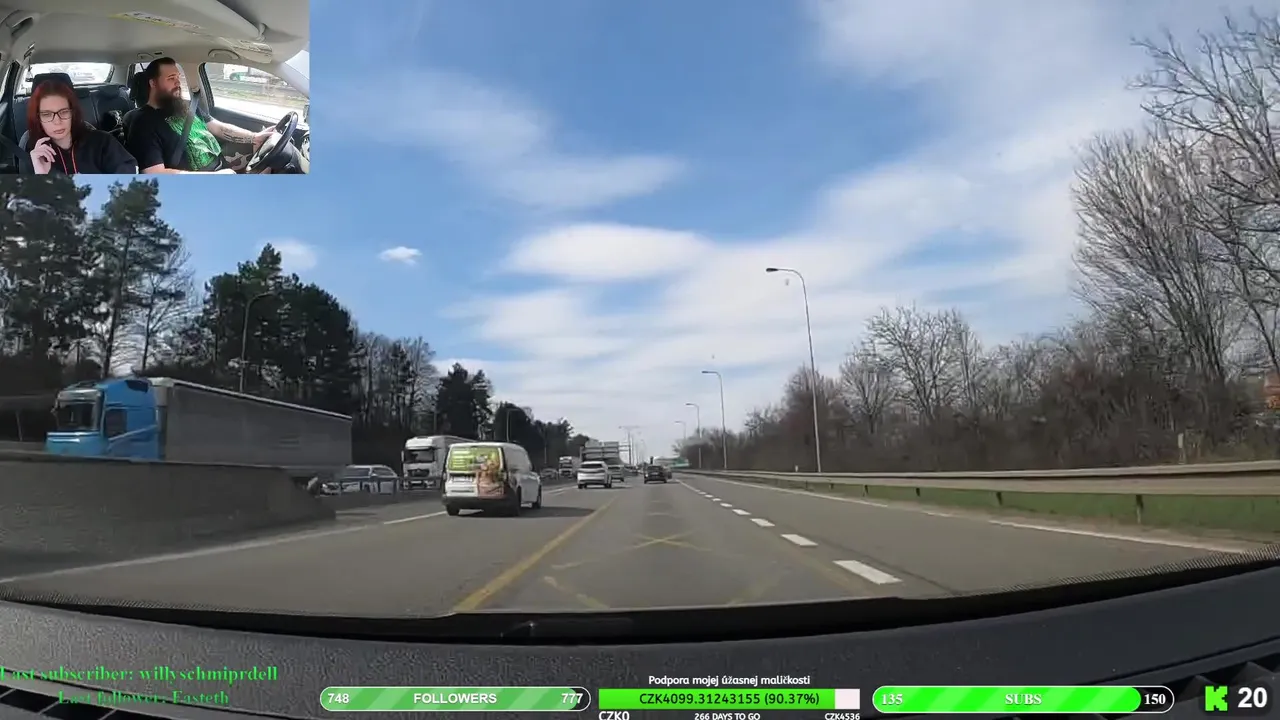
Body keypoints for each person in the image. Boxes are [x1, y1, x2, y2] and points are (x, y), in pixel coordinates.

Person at [125, 57, 272, 174]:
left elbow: (218, 128)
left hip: (222, 167)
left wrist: (254, 137)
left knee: (271, 161)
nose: (178, 82)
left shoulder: (186, 106)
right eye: (171, 78)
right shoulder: (142, 123)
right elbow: (155, 173)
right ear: (153, 83)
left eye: (178, 77)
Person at [21, 80, 138, 175]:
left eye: (64, 112)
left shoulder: (102, 143)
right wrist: (41, 175)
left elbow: (129, 175)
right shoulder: (35, 155)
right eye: (47, 114)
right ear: (38, 118)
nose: (57, 121)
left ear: (73, 113)